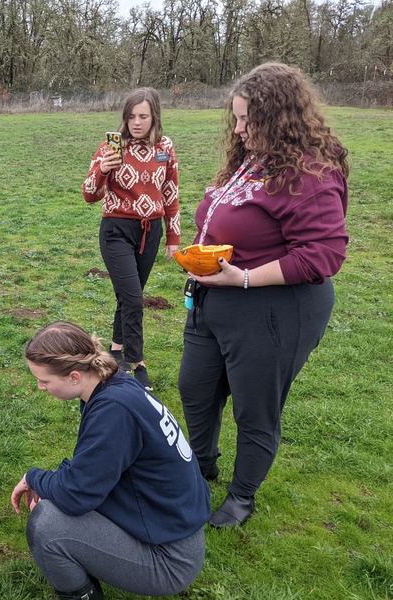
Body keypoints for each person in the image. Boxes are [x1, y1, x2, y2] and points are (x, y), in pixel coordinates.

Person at [178, 62, 349, 528]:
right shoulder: (253, 158)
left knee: (256, 408)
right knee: (194, 389)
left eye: (246, 119)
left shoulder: (310, 172)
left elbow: (324, 254)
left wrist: (246, 278)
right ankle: (201, 465)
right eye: (235, 118)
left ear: (279, 118)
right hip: (216, 297)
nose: (238, 128)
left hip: (274, 307)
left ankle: (242, 496)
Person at [10, 321, 210, 600]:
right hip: (170, 528)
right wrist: (51, 485)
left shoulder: (113, 411)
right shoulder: (113, 381)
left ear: (75, 377)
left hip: (170, 559)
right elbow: (90, 468)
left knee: (48, 524)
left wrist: (34, 478)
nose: (40, 387)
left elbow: (75, 494)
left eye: (44, 380)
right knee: (55, 496)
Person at [82, 87, 180, 391]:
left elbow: (171, 192)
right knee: (134, 298)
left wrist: (173, 236)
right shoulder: (111, 147)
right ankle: (137, 361)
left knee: (129, 295)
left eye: (143, 116)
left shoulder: (165, 147)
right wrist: (102, 170)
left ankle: (114, 352)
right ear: (124, 118)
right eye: (131, 116)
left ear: (154, 117)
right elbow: (89, 194)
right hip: (117, 230)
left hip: (150, 233)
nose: (136, 122)